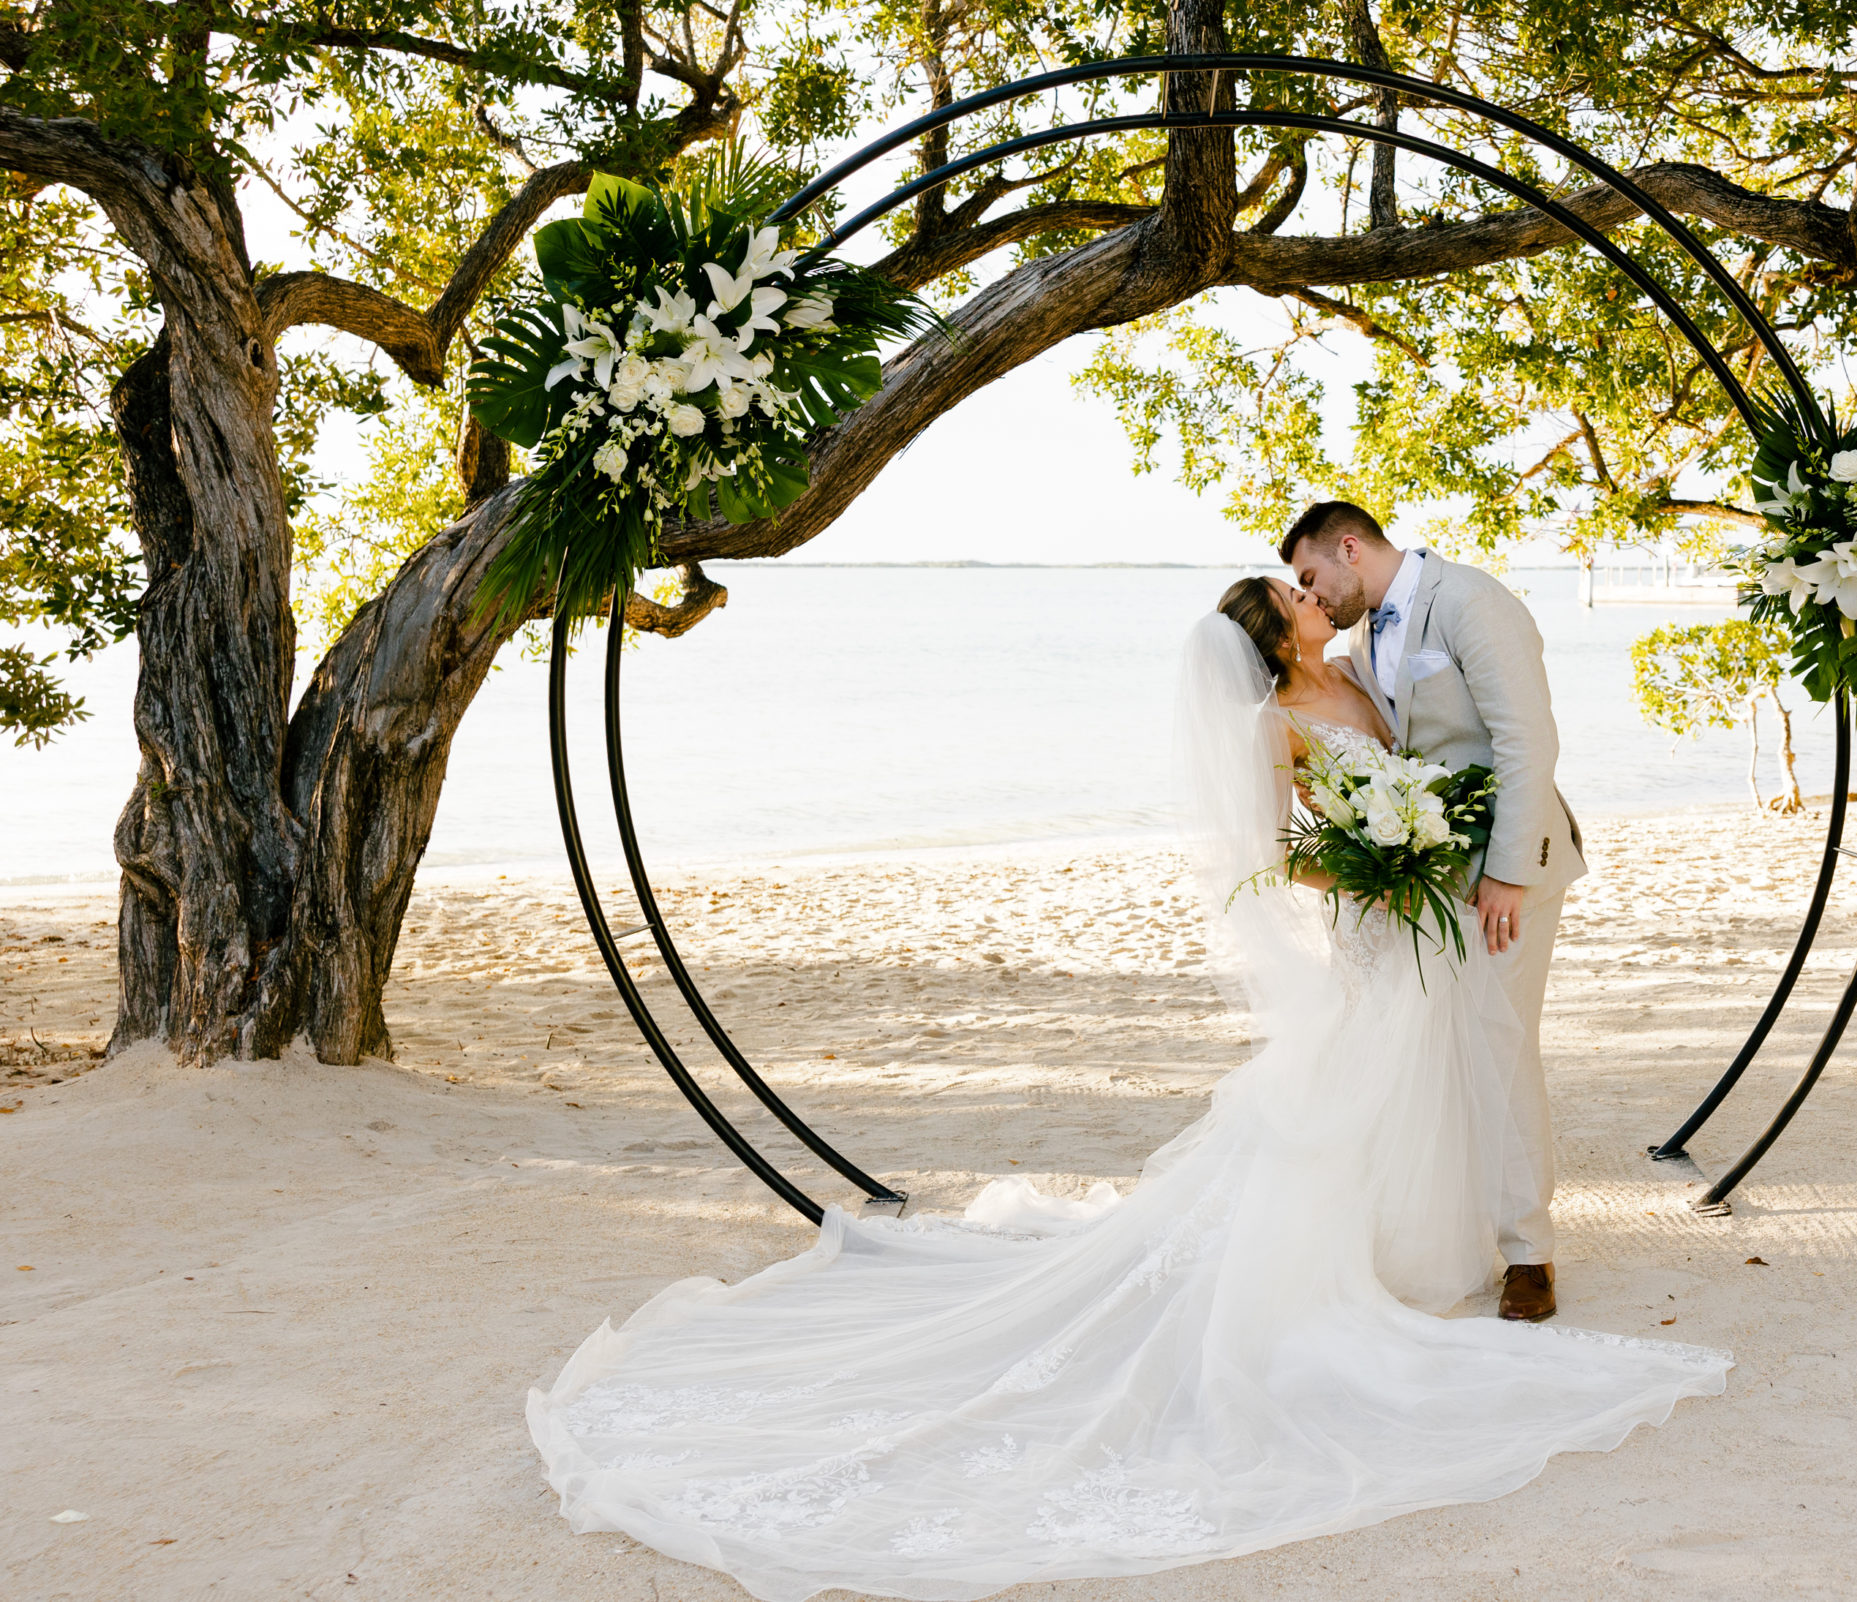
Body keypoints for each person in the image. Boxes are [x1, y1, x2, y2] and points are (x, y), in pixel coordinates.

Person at [525, 564, 1721, 1602]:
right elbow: (1274, 851)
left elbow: (1440, 746)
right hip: (1377, 916)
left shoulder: (1360, 671)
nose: (1312, 597)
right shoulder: (1273, 722)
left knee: (1432, 1074)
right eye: (1292, 596)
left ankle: (1447, 1231)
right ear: (1270, 637)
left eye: (1311, 584)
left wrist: (1419, 841)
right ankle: (1360, 1255)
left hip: (1428, 910)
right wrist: (1371, 865)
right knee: (1365, 1081)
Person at [1280, 499, 1583, 1323]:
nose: (1310, 594)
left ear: (1349, 547)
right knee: (1436, 1054)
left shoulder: (1473, 603)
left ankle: (1529, 1253)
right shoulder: (1353, 644)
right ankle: (1444, 1228)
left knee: (1499, 1044)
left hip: (1502, 873)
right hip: (1422, 881)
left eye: (1310, 577)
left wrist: (1511, 874)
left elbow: (1527, 742)